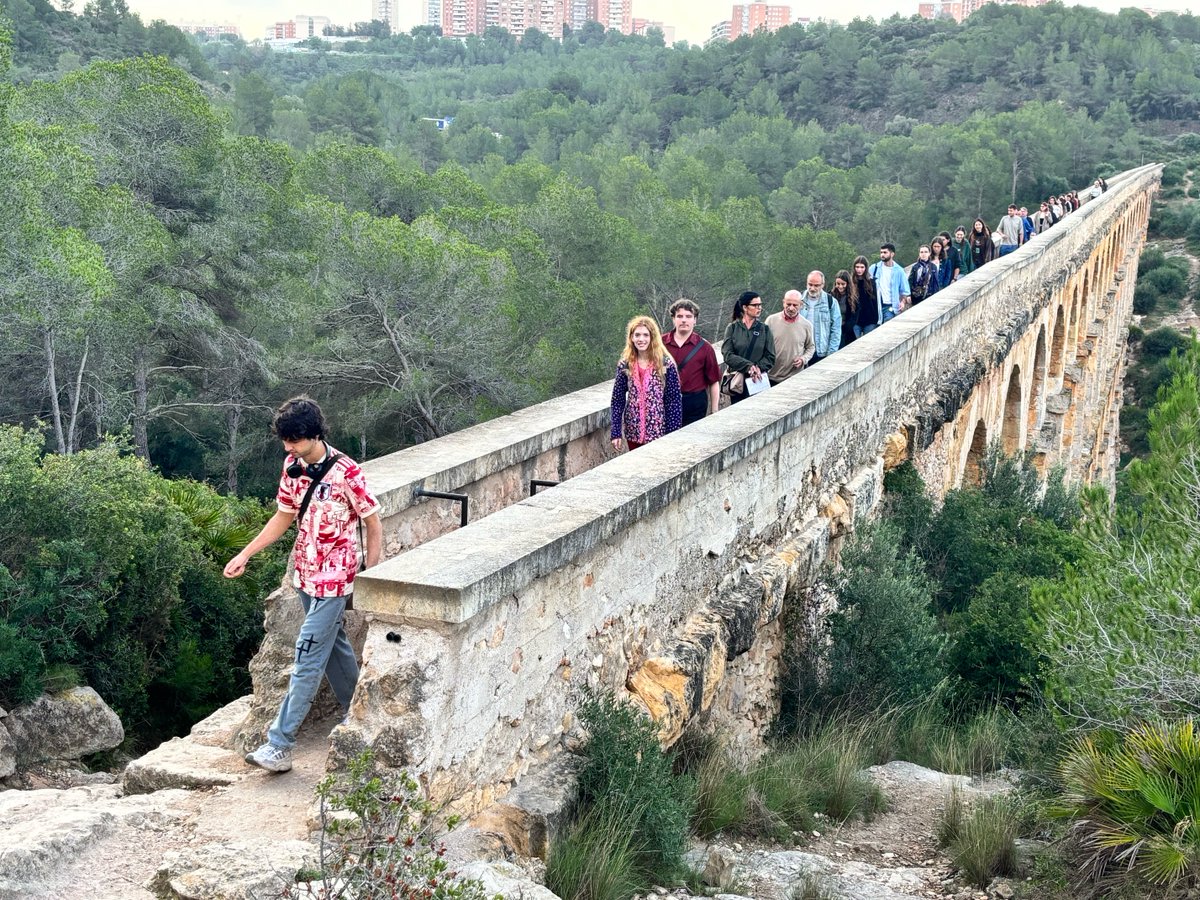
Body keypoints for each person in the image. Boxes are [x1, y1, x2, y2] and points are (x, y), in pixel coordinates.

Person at [225, 396, 382, 774]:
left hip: (335, 581)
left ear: (314, 435)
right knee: (333, 649)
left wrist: (371, 575)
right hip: (305, 576)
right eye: (284, 440)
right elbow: (282, 517)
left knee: (307, 657)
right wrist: (245, 554)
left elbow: (373, 523)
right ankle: (358, 714)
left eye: (294, 440)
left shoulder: (347, 472)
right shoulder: (292, 466)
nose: (288, 447)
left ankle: (279, 745)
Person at [610, 316, 682, 449]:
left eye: (645, 335)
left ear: (652, 337)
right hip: (633, 431)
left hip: (658, 432)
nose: (641, 339)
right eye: (637, 335)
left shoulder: (666, 364)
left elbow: (673, 401)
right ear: (631, 337)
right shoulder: (625, 365)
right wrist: (616, 432)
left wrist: (673, 434)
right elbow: (617, 399)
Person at [663, 299, 720, 427]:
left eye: (688, 316)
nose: (684, 320)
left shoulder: (705, 347)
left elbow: (714, 381)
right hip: (666, 401)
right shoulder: (659, 345)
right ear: (673, 319)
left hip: (695, 403)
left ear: (695, 320)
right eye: (680, 316)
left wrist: (715, 411)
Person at [722, 291, 776, 404]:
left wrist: (757, 368)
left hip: (758, 381)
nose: (759, 308)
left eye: (760, 305)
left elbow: (770, 356)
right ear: (745, 307)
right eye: (755, 305)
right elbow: (727, 355)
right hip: (738, 381)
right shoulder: (732, 328)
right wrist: (748, 366)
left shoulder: (764, 329)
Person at [766, 289, 816, 383]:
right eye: (788, 304)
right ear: (783, 303)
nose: (791, 308)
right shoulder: (771, 321)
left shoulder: (807, 325)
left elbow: (811, 347)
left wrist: (803, 359)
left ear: (801, 305)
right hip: (771, 376)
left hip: (794, 378)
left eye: (795, 305)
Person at [869, 243, 911, 320]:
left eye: (885, 252)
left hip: (890, 307)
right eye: (881, 252)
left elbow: (905, 291)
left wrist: (903, 302)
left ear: (892, 254)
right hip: (875, 306)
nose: (882, 255)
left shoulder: (899, 271)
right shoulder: (874, 268)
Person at [849, 255, 882, 338]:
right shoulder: (850, 282)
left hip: (870, 319)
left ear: (866, 268)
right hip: (855, 320)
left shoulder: (873, 282)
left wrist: (879, 320)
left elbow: (877, 302)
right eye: (857, 267)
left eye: (862, 267)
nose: (859, 270)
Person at [831, 269, 856, 348]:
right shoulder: (830, 296)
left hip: (845, 332)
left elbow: (853, 319)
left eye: (843, 284)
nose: (840, 286)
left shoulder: (854, 299)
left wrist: (843, 328)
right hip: (832, 330)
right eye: (838, 284)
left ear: (847, 284)